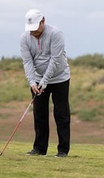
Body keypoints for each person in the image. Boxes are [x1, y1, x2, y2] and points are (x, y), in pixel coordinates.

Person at [20, 9, 71, 157]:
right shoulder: (24, 38)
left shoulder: (56, 34)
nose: (33, 32)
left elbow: (55, 60)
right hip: (37, 80)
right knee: (39, 114)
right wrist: (33, 82)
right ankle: (39, 149)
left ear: (43, 21)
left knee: (61, 115)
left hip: (60, 78)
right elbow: (27, 62)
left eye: (36, 28)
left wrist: (44, 81)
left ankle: (63, 150)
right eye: (30, 29)